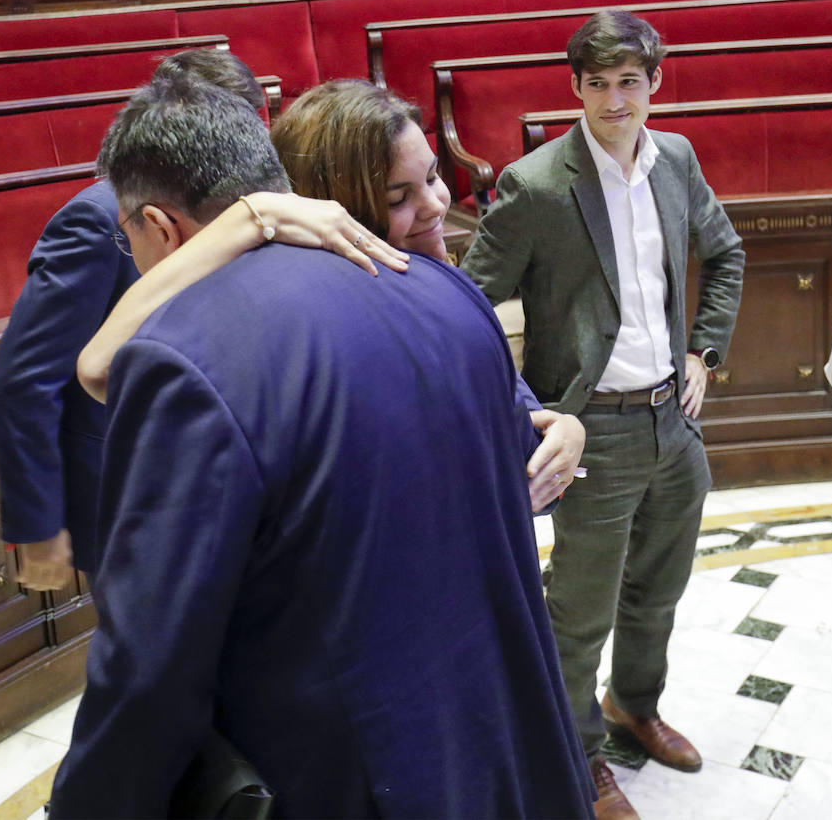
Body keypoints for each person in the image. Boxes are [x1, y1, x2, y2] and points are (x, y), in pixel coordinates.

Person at [48, 76, 594, 818]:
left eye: (129, 239)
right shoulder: (445, 292)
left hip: (348, 776)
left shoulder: (183, 357)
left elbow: (151, 663)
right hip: (498, 744)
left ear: (159, 226)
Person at [460, 9, 745, 820]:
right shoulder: (539, 183)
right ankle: (578, 752)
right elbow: (470, 304)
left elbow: (725, 254)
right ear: (574, 88)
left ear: (656, 82)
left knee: (660, 589)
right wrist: (525, 410)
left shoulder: (677, 159)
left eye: (630, 82)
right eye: (598, 85)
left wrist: (705, 354)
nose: (615, 101)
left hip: (672, 420)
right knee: (579, 610)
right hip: (595, 429)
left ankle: (634, 707)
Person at [78, 78, 585, 514]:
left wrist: (561, 433)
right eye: (398, 197)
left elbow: (520, 433)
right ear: (330, 209)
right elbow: (100, 369)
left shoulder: (442, 286)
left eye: (432, 177)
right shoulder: (308, 324)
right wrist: (252, 216)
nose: (435, 206)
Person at [0, 48, 393, 590]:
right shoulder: (98, 218)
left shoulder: (266, 198)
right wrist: (38, 525)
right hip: (130, 482)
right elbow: (25, 378)